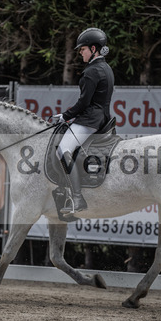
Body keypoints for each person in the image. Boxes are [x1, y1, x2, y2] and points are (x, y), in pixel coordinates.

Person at [52, 27, 114, 214]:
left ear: (93, 49)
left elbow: (84, 102)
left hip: (90, 119)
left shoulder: (92, 72)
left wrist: (65, 116)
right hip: (103, 117)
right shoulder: (106, 68)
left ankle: (77, 198)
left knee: (62, 150)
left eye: (83, 49)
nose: (80, 52)